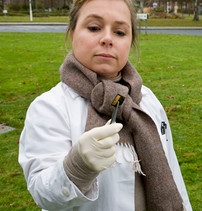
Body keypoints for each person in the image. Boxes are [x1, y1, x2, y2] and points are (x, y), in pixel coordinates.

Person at [18, 0, 192, 210]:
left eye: (120, 32)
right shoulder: (49, 108)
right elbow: (43, 194)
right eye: (94, 28)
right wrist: (76, 168)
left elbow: (172, 172)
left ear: (130, 41)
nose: (108, 39)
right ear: (72, 34)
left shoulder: (147, 100)